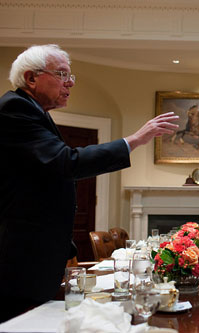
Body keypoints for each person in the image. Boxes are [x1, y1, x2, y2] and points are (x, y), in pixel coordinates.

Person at [0, 44, 179, 322]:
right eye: (61, 74)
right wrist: (134, 140)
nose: (70, 82)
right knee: (21, 323)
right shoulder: (15, 109)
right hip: (21, 257)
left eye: (71, 76)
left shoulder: (35, 111)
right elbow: (66, 163)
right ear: (31, 78)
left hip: (36, 254)